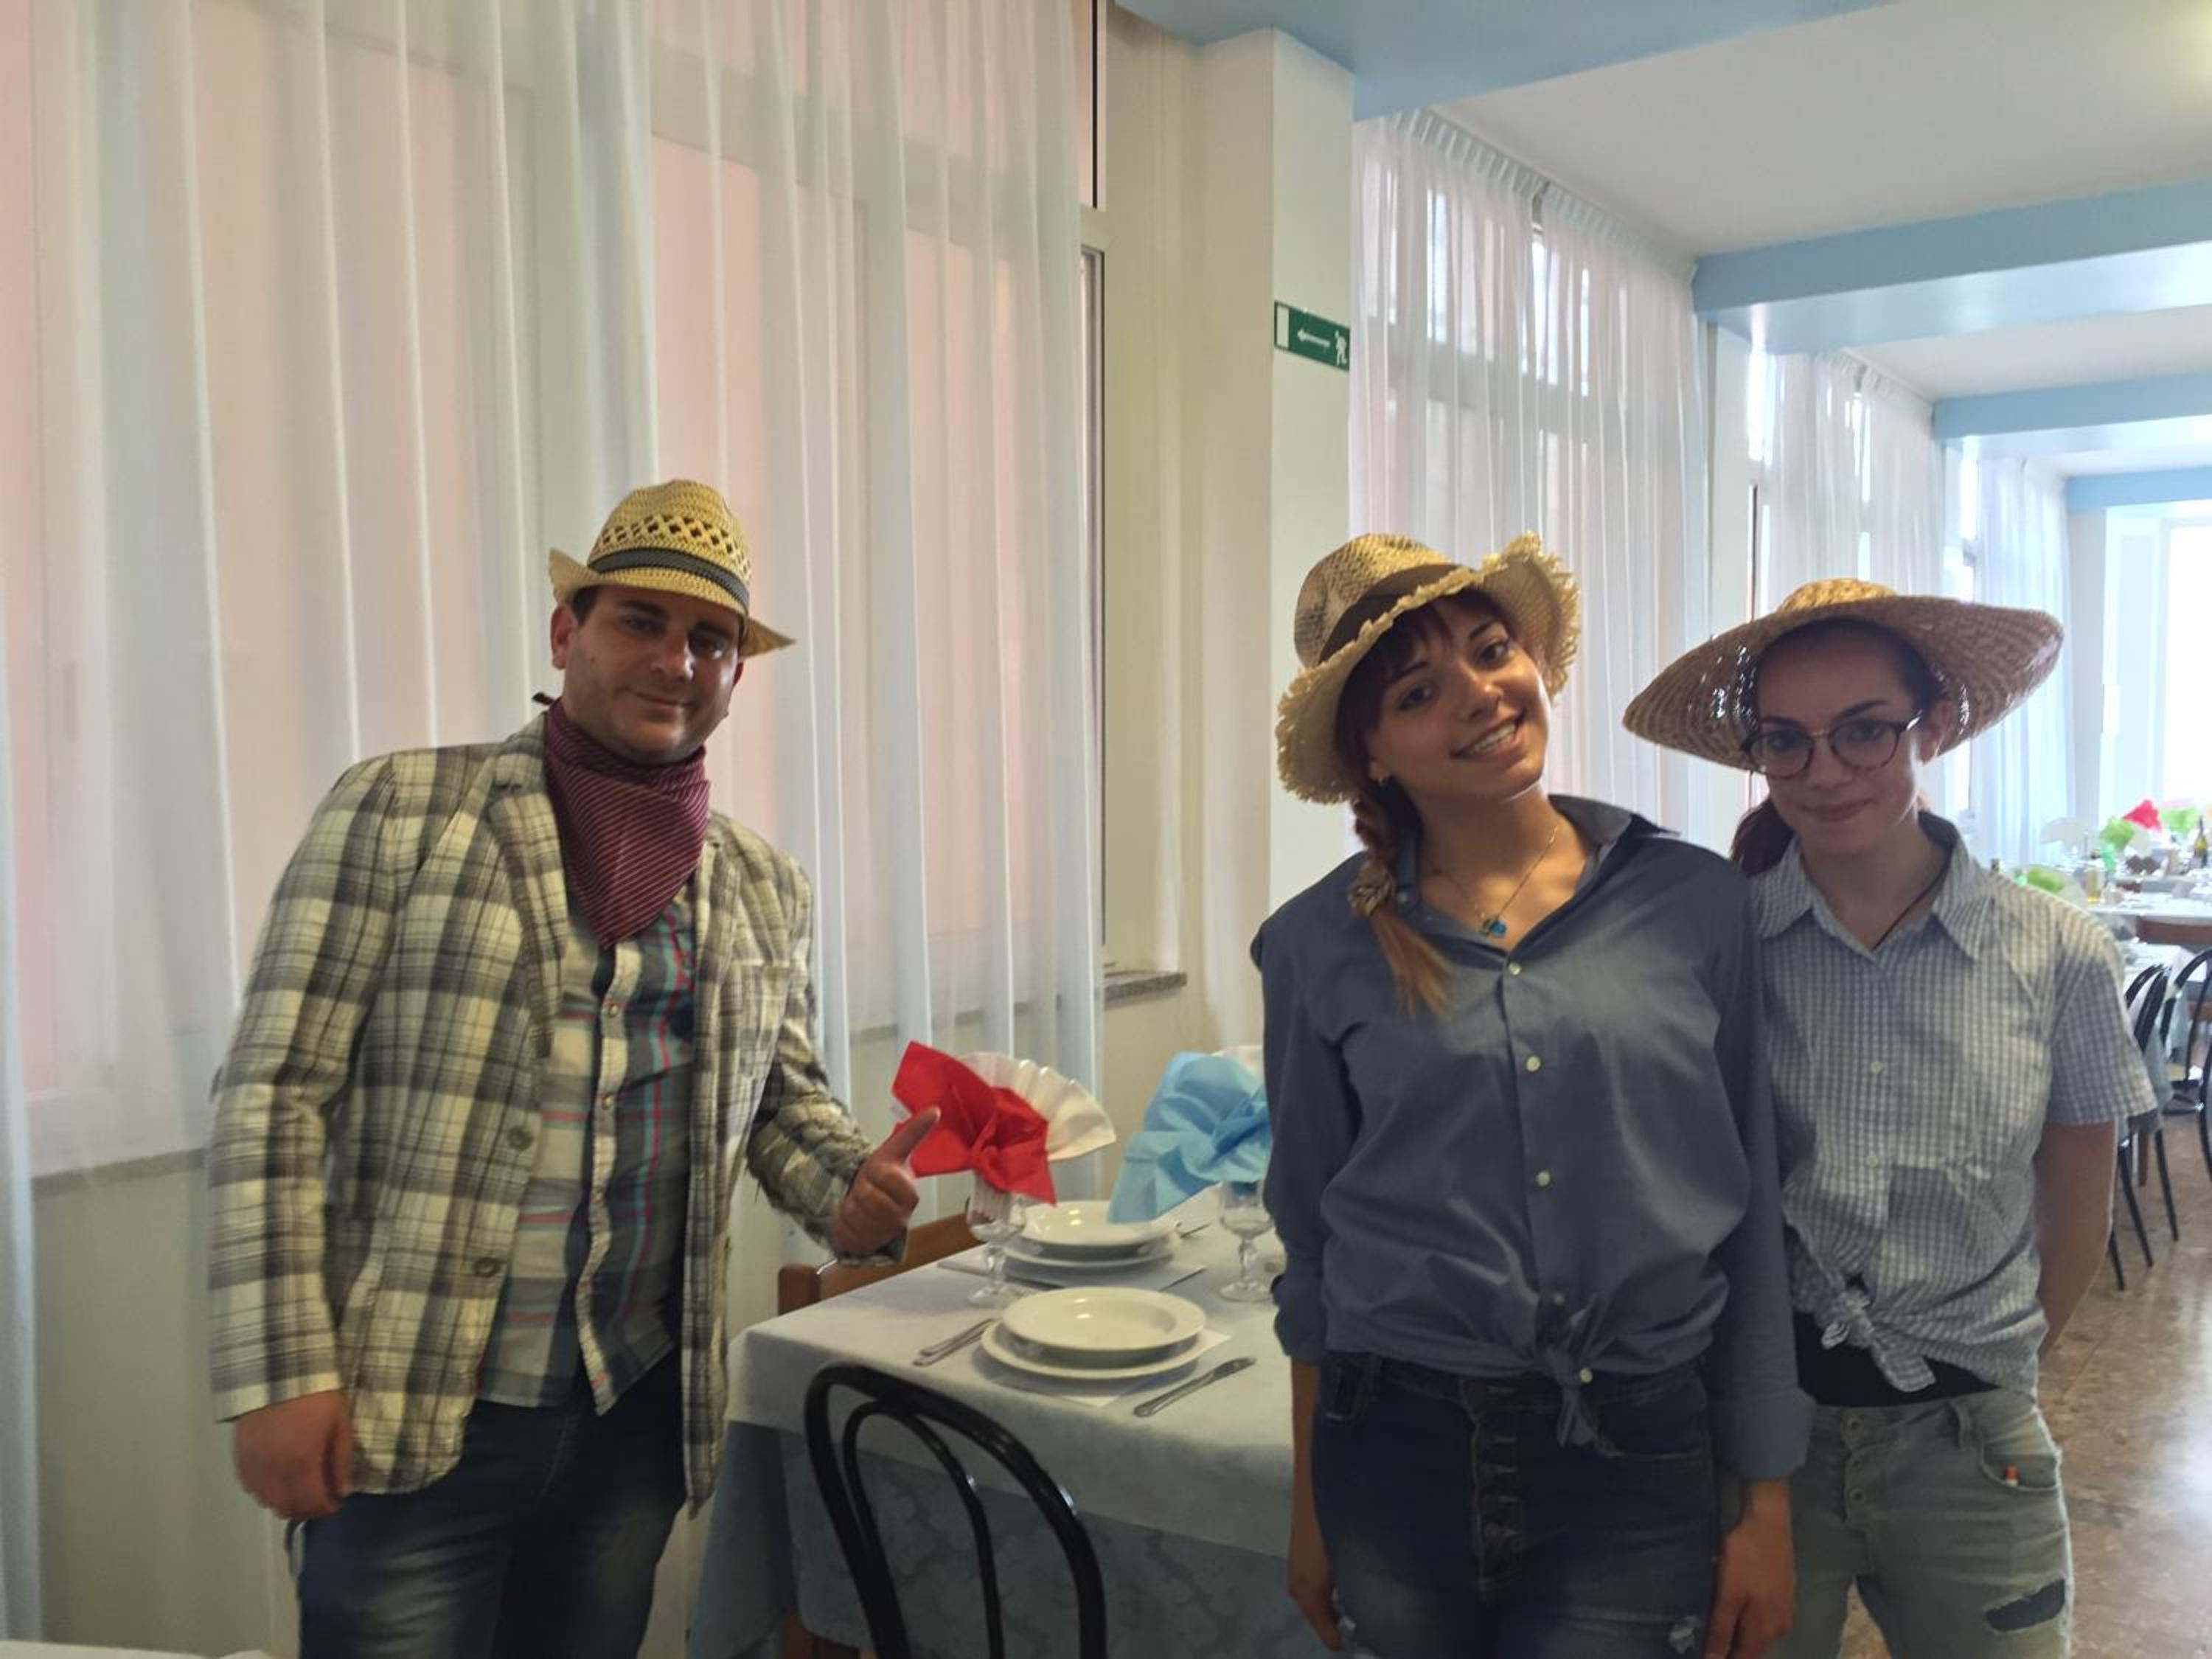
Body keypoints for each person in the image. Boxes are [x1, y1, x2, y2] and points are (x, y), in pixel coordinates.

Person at [207, 480, 935, 1658]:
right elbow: (273, 1092)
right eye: (641, 620)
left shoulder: (762, 883)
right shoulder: (399, 811)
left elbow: (777, 1099)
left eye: (710, 640)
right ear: (566, 632)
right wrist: (282, 1368)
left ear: (735, 676)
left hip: (630, 1417)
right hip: (416, 1402)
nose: (676, 660)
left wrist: (850, 1190)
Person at [1255, 532, 1808, 1659]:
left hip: (1635, 1447)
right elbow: (1310, 1246)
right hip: (1392, 1444)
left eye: (1491, 648)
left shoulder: (1694, 903)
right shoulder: (1318, 944)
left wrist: (1764, 1500)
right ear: (1373, 754)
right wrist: (1309, 1504)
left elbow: (1753, 1217)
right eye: (1418, 692)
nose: (1478, 692)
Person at [1624, 579, 2152, 1658]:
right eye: (1788, 740)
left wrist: (1995, 1369)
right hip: (1764, 1441)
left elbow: (2078, 1209)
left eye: (1865, 730)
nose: (1826, 773)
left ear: (1936, 725)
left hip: (1973, 1443)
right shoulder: (1722, 949)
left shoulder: (2058, 955)